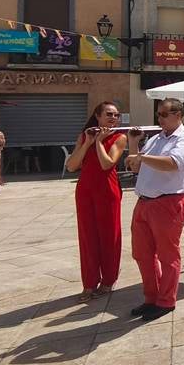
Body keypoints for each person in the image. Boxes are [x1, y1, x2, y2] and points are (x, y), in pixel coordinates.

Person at [124, 98, 184, 321]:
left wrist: (142, 156)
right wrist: (133, 144)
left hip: (168, 203)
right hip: (145, 202)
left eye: (164, 114)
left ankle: (166, 301)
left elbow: (172, 163)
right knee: (142, 254)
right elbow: (135, 165)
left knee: (167, 255)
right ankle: (151, 297)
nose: (160, 118)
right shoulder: (155, 139)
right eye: (158, 114)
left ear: (178, 114)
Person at [65, 102, 128, 303]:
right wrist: (87, 143)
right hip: (85, 190)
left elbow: (107, 164)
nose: (113, 118)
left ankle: (108, 280)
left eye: (116, 115)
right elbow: (72, 165)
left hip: (107, 191)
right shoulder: (85, 136)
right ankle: (89, 283)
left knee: (109, 236)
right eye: (109, 114)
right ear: (97, 116)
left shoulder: (120, 137)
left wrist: (100, 142)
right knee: (87, 237)